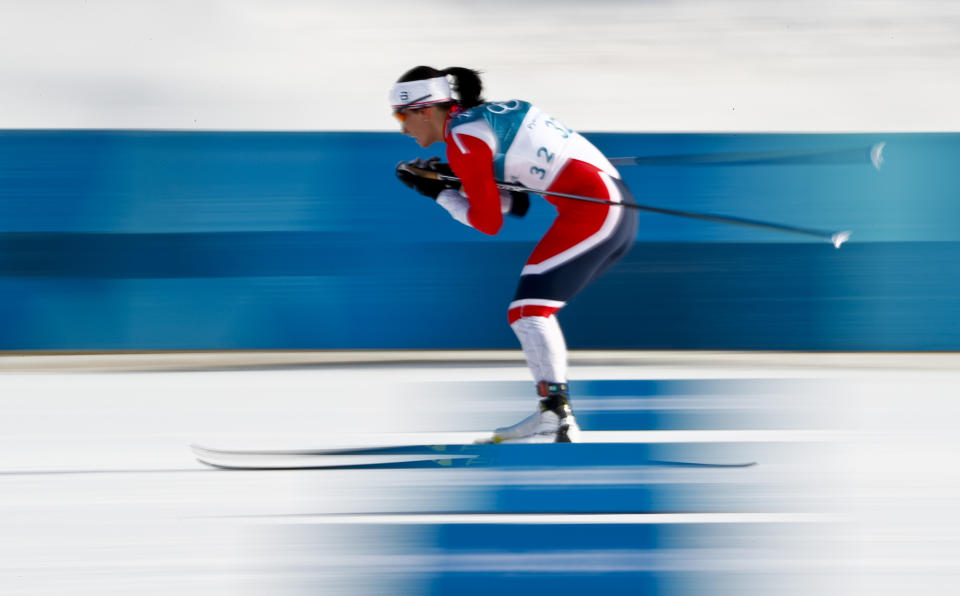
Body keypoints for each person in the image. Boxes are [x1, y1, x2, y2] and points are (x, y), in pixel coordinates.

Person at [391, 66, 637, 443]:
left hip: (596, 211)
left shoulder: (463, 141)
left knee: (528, 311)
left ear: (425, 110)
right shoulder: (478, 121)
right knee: (528, 310)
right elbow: (515, 201)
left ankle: (556, 416)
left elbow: (489, 222)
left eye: (401, 115)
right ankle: (550, 414)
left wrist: (439, 193)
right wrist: (454, 178)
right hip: (610, 205)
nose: (401, 128)